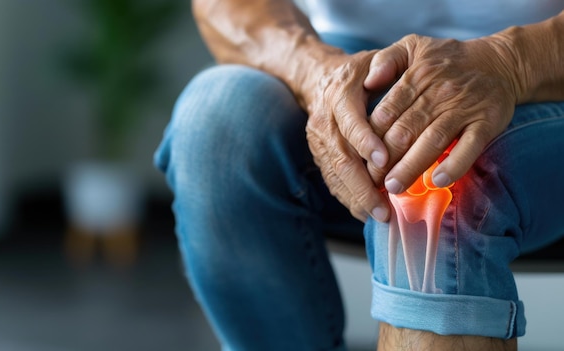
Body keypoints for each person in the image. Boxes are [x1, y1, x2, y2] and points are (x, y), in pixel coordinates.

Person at [155, 0, 564, 350]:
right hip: (347, 62)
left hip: (545, 70)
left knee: (437, 194)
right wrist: (316, 76)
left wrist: (512, 62)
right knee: (215, 127)